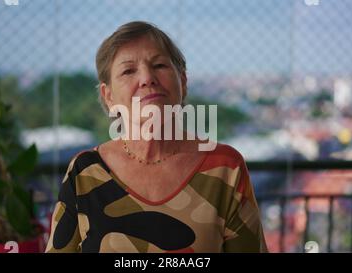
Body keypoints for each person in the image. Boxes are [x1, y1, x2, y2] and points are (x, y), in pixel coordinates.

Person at [45, 21, 267, 253]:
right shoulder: (85, 171)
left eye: (159, 65)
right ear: (108, 96)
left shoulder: (226, 166)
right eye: (128, 70)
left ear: (182, 81)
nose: (147, 78)